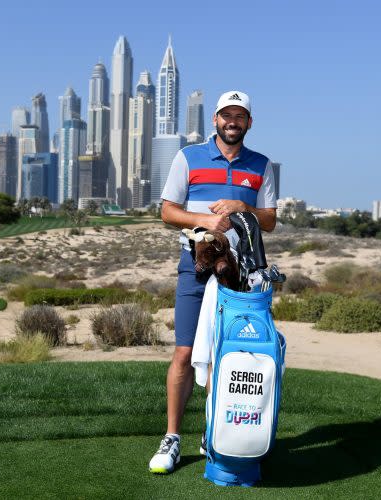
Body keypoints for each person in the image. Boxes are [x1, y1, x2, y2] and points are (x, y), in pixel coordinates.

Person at [148, 91, 277, 474]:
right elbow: (167, 211)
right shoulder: (189, 157)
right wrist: (202, 221)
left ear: (249, 122)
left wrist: (244, 208)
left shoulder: (262, 165)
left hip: (242, 273)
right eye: (226, 115)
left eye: (240, 116)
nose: (232, 121)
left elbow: (269, 219)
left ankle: (213, 432)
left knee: (228, 353)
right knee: (185, 354)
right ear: (215, 120)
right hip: (195, 266)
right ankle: (172, 438)